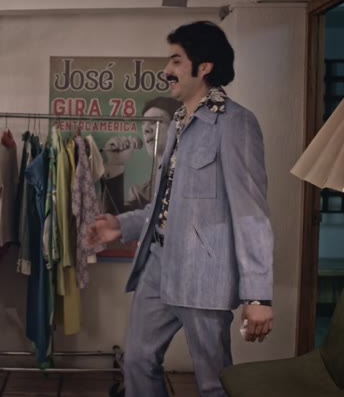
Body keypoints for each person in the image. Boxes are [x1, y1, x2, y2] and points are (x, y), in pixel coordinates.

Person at [87, 21, 274, 397]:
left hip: (205, 275)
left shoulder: (235, 124)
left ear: (204, 67)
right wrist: (121, 225)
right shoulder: (176, 123)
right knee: (137, 362)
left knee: (213, 381)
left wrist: (258, 296)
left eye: (175, 60)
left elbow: (251, 213)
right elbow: (166, 204)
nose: (166, 70)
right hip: (158, 264)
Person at [122, 96, 181, 212]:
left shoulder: (193, 180)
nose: (146, 130)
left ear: (176, 127)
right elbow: (114, 221)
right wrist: (116, 165)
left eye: (154, 122)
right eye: (143, 124)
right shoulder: (139, 193)